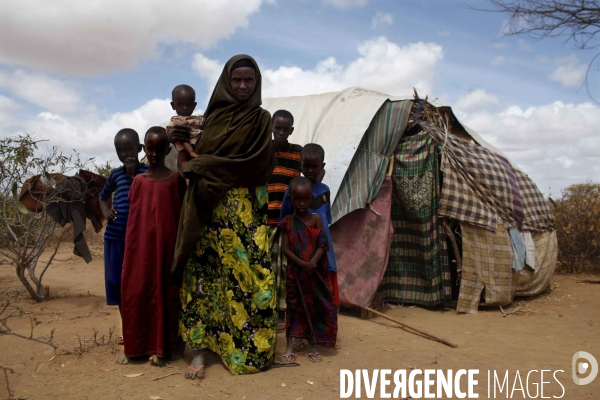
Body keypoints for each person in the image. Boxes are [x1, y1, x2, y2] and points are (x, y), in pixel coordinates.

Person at [170, 55, 276, 379]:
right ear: (226, 83)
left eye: (249, 80)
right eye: (237, 80)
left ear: (257, 83)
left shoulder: (262, 120)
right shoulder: (211, 119)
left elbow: (256, 165)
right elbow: (186, 166)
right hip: (206, 211)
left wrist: (204, 165)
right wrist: (195, 163)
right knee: (205, 281)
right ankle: (201, 349)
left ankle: (248, 350)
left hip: (245, 214)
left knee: (252, 279)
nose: (243, 86)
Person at [116, 127, 186, 366]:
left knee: (165, 294)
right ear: (144, 149)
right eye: (149, 148)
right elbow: (136, 218)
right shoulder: (138, 181)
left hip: (166, 249)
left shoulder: (176, 180)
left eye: (158, 149)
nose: (153, 153)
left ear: (167, 150)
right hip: (140, 249)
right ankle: (136, 347)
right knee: (137, 291)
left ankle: (163, 348)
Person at [278, 177, 337, 363]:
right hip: (295, 274)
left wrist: (311, 264)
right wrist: (302, 265)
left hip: (315, 274)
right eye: (297, 199)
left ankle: (311, 344)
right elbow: (285, 249)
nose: (301, 203)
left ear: (311, 198)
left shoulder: (317, 219)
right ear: (291, 199)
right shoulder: (287, 222)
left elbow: (323, 243)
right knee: (293, 308)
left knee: (313, 308)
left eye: (305, 199)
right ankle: (289, 346)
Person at [99, 129, 148, 335]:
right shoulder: (115, 174)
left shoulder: (147, 172)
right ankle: (127, 328)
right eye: (119, 150)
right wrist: (106, 211)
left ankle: (143, 328)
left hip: (138, 239)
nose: (124, 153)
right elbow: (102, 197)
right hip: (115, 237)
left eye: (128, 148)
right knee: (117, 283)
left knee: (138, 284)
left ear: (139, 149)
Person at [280, 143, 339, 307]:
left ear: (322, 167)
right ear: (300, 164)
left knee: (321, 287)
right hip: (299, 250)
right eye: (306, 166)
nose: (310, 170)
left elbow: (326, 220)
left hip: (321, 248)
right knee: (300, 289)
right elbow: (284, 219)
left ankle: (319, 325)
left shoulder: (324, 191)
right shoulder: (292, 190)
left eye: (315, 166)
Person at [266, 109, 302, 332]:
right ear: (271, 127)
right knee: (268, 267)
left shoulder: (297, 154)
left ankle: (282, 312)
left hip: (287, 221)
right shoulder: (263, 151)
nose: (281, 132)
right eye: (277, 128)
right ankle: (268, 309)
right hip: (266, 220)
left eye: (285, 129)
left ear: (291, 130)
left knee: (284, 269)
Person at [167, 84, 204, 158]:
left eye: (189, 104)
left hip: (198, 145)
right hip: (184, 148)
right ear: (173, 105)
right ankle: (191, 152)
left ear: (194, 106)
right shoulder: (177, 120)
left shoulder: (197, 119)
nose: (184, 108)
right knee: (180, 134)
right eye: (180, 104)